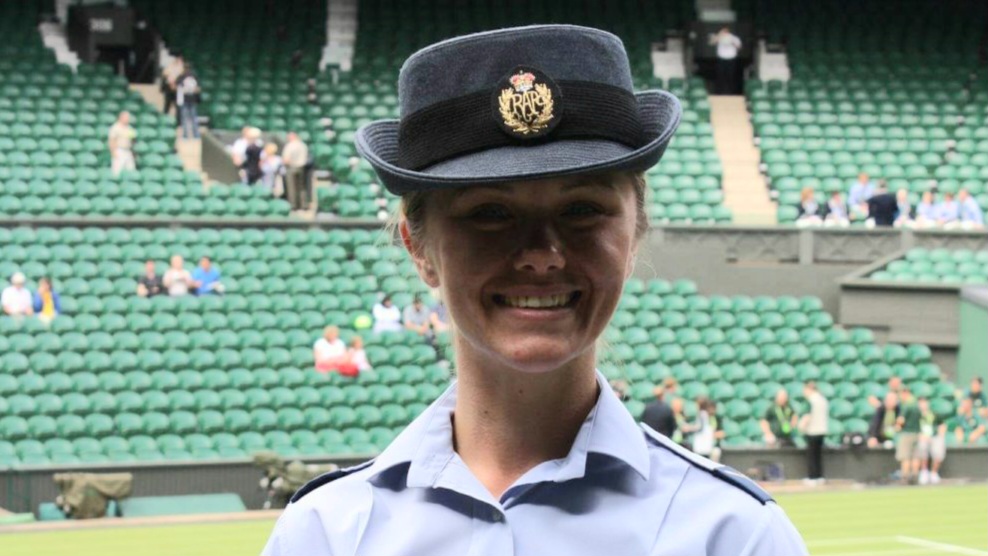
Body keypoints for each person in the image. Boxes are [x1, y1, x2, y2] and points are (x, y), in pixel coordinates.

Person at [261, 25, 808, 556]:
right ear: (418, 247)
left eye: (582, 210)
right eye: (490, 213)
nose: (542, 254)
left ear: (635, 231)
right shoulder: (324, 535)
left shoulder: (734, 536)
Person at [800, 381, 829, 485]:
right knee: (818, 455)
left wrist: (801, 427)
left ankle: (812, 477)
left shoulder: (811, 400)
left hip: (812, 431)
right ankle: (819, 476)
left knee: (811, 455)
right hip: (821, 430)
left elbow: (807, 415)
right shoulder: (823, 399)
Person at [916, 397, 946, 485]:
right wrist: (921, 436)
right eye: (921, 403)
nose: (923, 405)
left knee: (938, 448)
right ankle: (924, 471)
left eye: (924, 402)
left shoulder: (934, 414)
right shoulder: (916, 415)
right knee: (922, 446)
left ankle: (934, 472)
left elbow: (942, 425)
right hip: (921, 437)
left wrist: (940, 435)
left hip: (934, 436)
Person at [894, 387, 922, 484]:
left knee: (905, 457)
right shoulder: (917, 406)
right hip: (917, 433)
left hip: (907, 433)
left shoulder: (906, 406)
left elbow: (901, 420)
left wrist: (896, 427)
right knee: (915, 457)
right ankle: (915, 476)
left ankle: (905, 478)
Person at [281, 132, 310, 210]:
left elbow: (286, 160)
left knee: (291, 187)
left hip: (291, 167)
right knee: (302, 187)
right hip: (302, 168)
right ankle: (304, 204)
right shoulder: (303, 145)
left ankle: (293, 205)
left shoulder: (290, 146)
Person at [709, 26, 742, 95]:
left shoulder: (734, 38)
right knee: (720, 76)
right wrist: (719, 35)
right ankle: (720, 92)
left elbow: (739, 47)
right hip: (721, 59)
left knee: (730, 76)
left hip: (731, 59)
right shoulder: (719, 37)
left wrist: (732, 42)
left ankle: (731, 92)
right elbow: (711, 43)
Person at [691, 397, 724, 463]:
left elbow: (721, 433)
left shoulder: (716, 418)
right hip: (703, 446)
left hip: (713, 446)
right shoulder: (704, 416)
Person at [108, 111, 136, 176]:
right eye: (126, 117)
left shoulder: (129, 128)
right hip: (119, 150)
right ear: (121, 118)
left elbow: (133, 140)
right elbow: (111, 140)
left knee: (131, 170)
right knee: (116, 171)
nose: (128, 119)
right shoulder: (115, 127)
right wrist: (113, 152)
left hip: (128, 151)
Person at [176, 65, 201, 140]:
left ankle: (195, 135)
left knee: (192, 118)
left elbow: (198, 89)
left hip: (191, 100)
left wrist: (191, 90)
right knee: (186, 118)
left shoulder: (193, 77)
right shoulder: (181, 77)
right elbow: (178, 87)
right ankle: (186, 135)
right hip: (185, 100)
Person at [161, 53, 185, 122]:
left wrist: (175, 84)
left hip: (178, 89)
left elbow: (182, 77)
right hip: (169, 88)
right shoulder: (170, 65)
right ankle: (164, 120)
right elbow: (165, 74)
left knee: (179, 106)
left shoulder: (182, 67)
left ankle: (179, 122)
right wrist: (171, 83)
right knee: (167, 105)